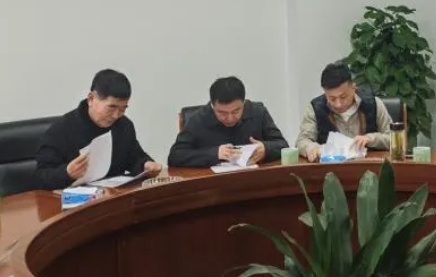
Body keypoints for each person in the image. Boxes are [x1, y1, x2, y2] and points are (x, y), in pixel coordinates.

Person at [34, 69, 163, 189]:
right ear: (91, 99)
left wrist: (146, 165)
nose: (116, 115)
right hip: (71, 201)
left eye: (122, 109)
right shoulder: (60, 131)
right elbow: (41, 177)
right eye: (111, 107)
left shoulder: (124, 125)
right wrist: (67, 173)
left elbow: (134, 157)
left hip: (112, 196)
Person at [167, 76, 289, 168]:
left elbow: (283, 145)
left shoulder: (258, 112)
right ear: (212, 106)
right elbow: (175, 157)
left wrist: (266, 149)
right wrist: (214, 154)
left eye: (236, 111)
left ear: (244, 103)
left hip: (253, 180)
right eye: (222, 113)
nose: (230, 118)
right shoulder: (197, 120)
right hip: (211, 186)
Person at [296, 61, 392, 162]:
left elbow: (394, 139)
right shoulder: (315, 108)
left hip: (370, 165)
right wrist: (312, 148)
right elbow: (302, 140)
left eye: (343, 97)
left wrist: (371, 138)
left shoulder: (374, 104)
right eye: (332, 98)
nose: (339, 104)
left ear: (353, 87)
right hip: (330, 168)